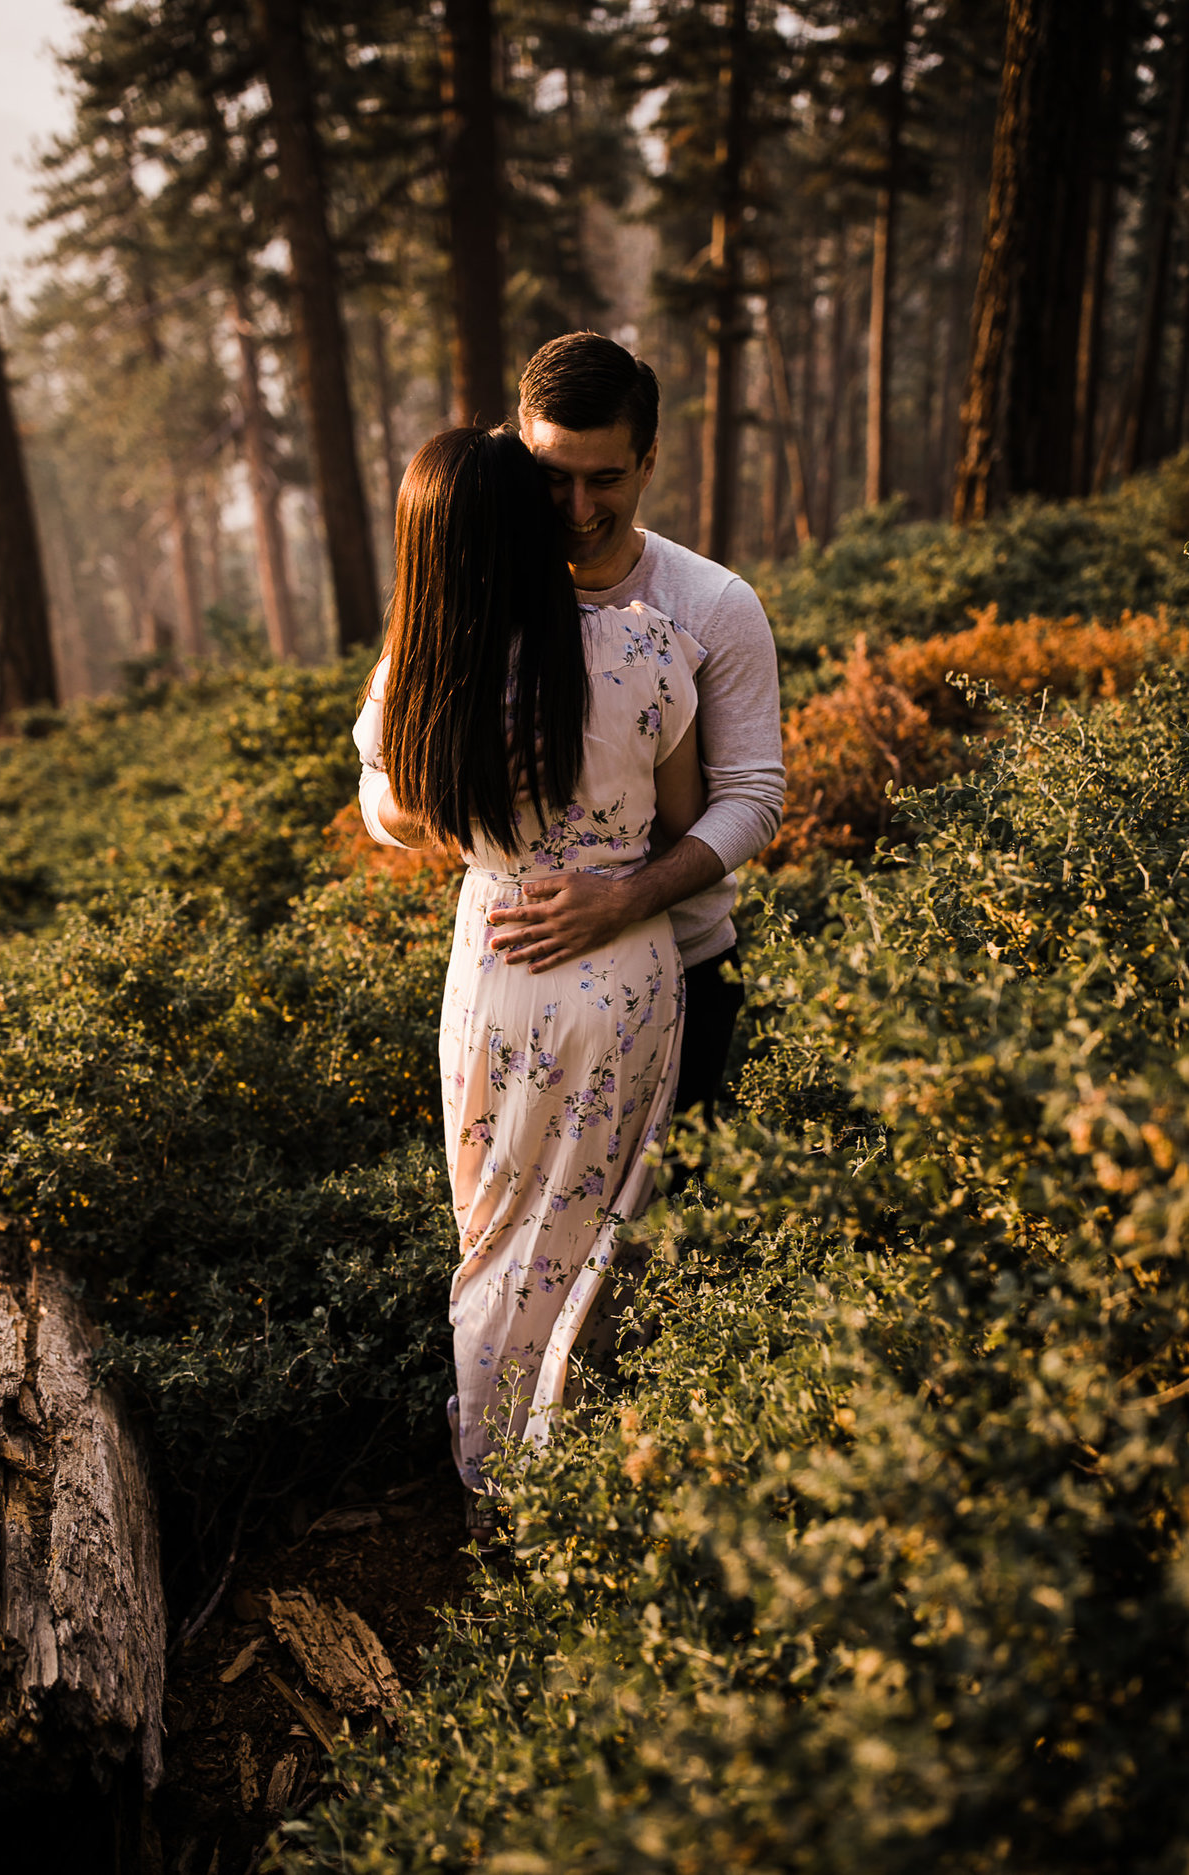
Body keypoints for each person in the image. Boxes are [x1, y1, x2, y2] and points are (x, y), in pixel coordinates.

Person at [352, 425, 706, 1516]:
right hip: (625, 968)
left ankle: (500, 1486)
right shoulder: (644, 645)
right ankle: (593, 1467)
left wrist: (484, 820)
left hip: (499, 966)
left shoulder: (419, 674)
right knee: (607, 1234)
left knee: (500, 1237)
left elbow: (396, 817)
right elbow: (685, 822)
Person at [378, 331, 786, 1119]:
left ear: (650, 461)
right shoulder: (463, 601)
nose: (577, 509)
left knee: (664, 1227)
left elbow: (753, 797)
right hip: (507, 984)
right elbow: (377, 790)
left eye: (606, 479)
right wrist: (448, 791)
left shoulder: (711, 605)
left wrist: (628, 897)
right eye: (552, 478)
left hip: (687, 967)